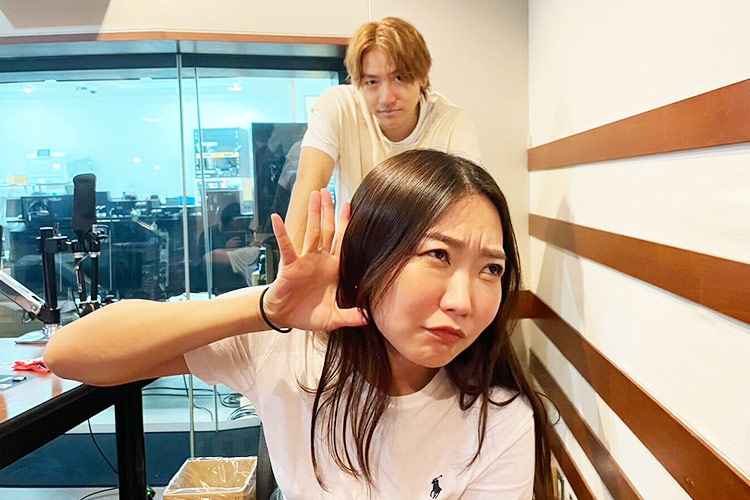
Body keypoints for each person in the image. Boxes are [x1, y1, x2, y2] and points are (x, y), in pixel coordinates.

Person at [44, 150, 552, 499]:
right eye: (438, 255)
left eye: (491, 269)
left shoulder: (499, 419)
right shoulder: (289, 346)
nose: (463, 301)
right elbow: (70, 354)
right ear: (369, 256)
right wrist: (266, 308)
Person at [285, 17, 482, 251]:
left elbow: (470, 204)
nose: (387, 97)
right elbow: (310, 181)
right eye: (372, 82)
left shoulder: (452, 123)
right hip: (357, 254)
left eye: (399, 78)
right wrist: (291, 267)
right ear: (358, 82)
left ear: (422, 76)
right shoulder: (338, 106)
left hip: (424, 256)